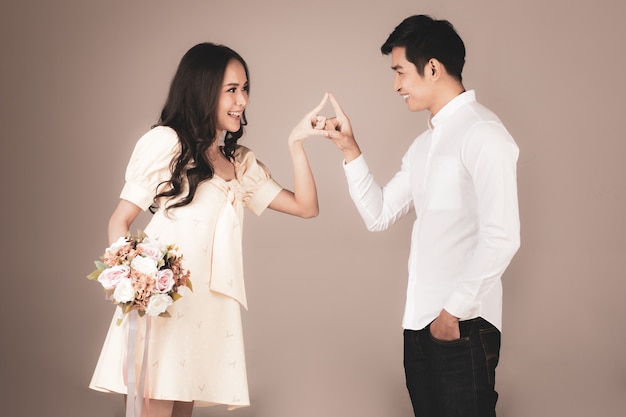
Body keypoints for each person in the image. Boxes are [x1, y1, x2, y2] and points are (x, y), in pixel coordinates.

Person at [89, 42, 330, 417]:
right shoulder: (167, 143)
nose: (242, 100)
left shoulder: (239, 162)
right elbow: (119, 221)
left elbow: (306, 207)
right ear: (203, 91)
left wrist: (295, 143)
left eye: (245, 88)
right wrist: (136, 284)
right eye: (231, 90)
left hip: (207, 308)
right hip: (165, 307)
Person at [322, 15, 520, 417]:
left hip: (462, 327)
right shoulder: (424, 145)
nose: (395, 85)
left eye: (399, 71)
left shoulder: (484, 133)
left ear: (432, 67)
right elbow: (379, 214)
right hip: (418, 328)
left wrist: (451, 315)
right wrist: (348, 148)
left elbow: (503, 236)